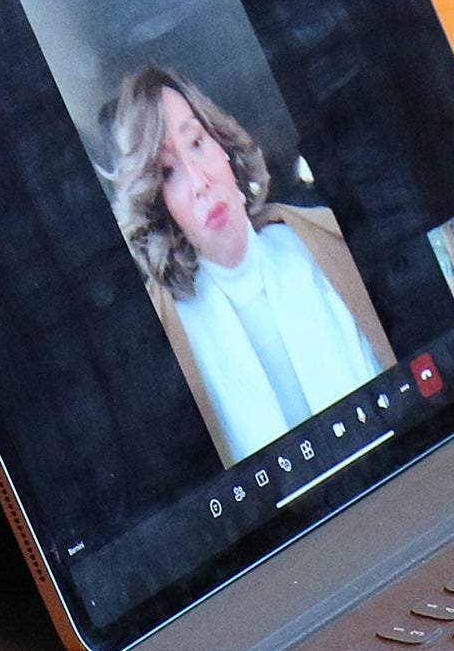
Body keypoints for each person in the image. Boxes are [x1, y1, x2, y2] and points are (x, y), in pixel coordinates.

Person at [105, 65, 391, 458]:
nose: (199, 181)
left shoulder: (327, 241)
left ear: (221, 146)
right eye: (168, 172)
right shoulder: (168, 336)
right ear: (158, 204)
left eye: (196, 143)